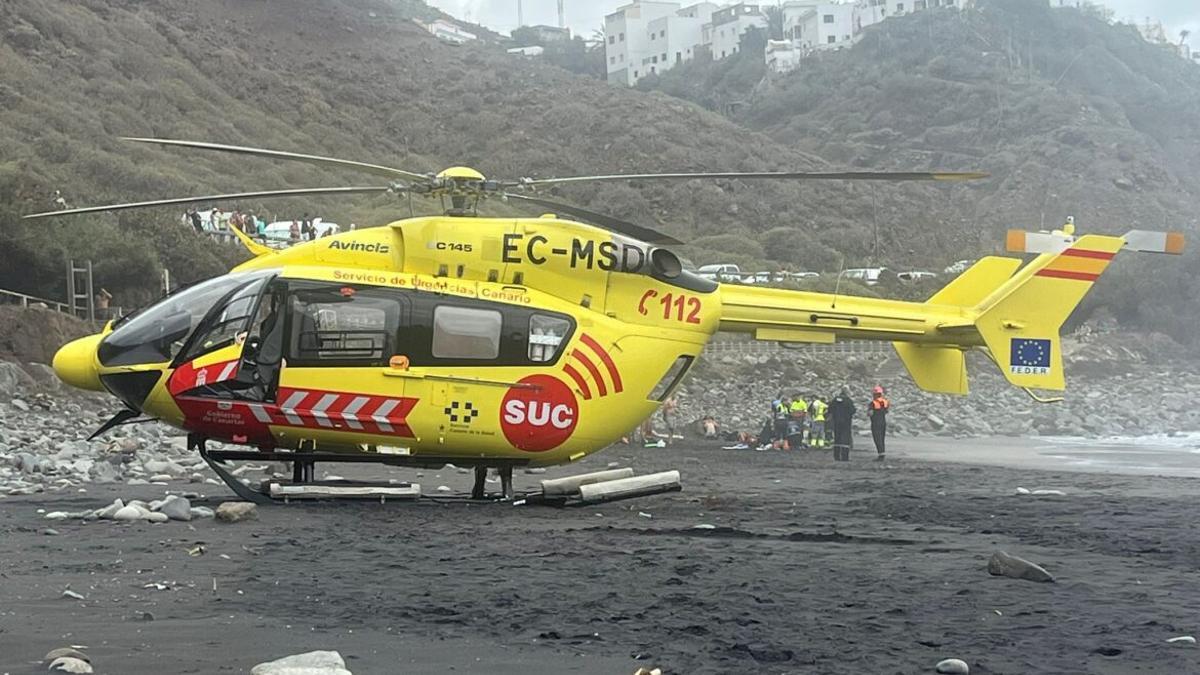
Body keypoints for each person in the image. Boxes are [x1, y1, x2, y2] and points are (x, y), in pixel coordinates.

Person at [828, 387, 855, 462]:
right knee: (845, 439)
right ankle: (844, 457)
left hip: (836, 422)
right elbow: (852, 410)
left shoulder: (835, 400)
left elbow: (830, 409)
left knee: (837, 438)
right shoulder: (848, 400)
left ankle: (836, 456)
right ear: (846, 392)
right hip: (846, 422)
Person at [868, 385, 890, 461]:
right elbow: (886, 411)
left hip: (875, 422)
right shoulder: (885, 402)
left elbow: (870, 413)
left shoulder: (873, 403)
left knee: (877, 438)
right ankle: (882, 453)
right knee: (882, 438)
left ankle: (881, 454)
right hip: (883, 422)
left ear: (875, 394)